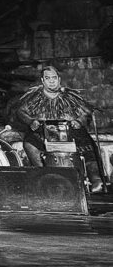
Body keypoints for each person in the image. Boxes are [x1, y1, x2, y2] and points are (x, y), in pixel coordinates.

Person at [15, 65, 104, 193]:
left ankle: (96, 180)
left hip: (72, 133)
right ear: (42, 81)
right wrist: (30, 121)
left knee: (88, 147)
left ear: (59, 79)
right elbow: (21, 112)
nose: (51, 81)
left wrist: (79, 121)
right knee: (29, 144)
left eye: (54, 78)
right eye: (48, 78)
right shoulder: (33, 97)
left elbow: (86, 112)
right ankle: (44, 176)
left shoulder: (71, 96)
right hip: (44, 133)